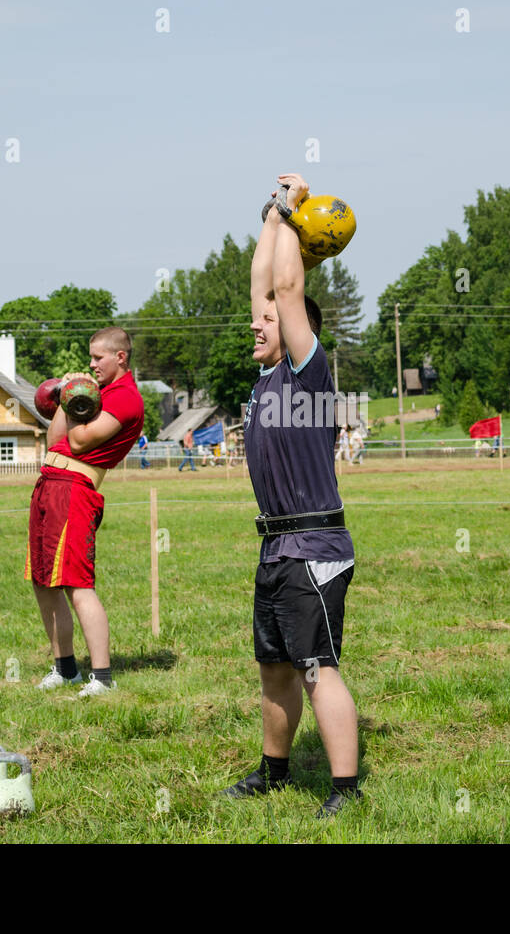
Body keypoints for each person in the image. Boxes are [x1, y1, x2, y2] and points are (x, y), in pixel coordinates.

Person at [223, 172, 360, 818]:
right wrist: (274, 222)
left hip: (314, 543)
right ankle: (273, 774)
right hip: (277, 546)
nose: (257, 323)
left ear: (298, 326)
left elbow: (284, 287)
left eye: (270, 321)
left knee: (317, 667)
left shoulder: (308, 373)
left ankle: (344, 788)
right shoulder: (267, 373)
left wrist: (290, 206)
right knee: (275, 668)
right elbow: (264, 285)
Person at [28, 326, 144, 697]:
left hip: (76, 492)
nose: (91, 365)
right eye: (91, 358)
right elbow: (54, 440)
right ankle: (65, 669)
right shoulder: (98, 393)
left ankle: (103, 677)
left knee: (78, 585)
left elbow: (77, 442)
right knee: (44, 582)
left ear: (120, 357)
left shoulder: (126, 398)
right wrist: (67, 394)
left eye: (98, 358)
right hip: (49, 485)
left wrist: (78, 398)